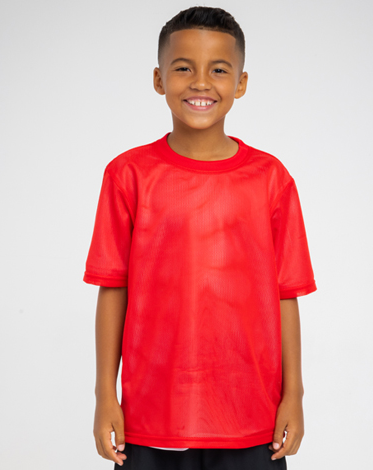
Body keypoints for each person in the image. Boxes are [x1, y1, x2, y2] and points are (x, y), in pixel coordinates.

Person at [83, 6, 317, 470]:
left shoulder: (270, 178)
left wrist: (295, 395)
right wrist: (104, 395)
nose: (201, 83)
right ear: (158, 79)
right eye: (184, 68)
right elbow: (113, 287)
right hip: (151, 415)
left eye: (219, 70)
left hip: (251, 416)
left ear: (241, 83)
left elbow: (285, 294)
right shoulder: (128, 175)